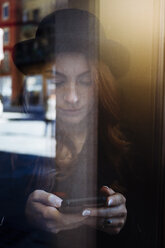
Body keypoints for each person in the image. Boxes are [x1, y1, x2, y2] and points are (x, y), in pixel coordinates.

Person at [8, 8, 137, 248]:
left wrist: (121, 222)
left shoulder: (123, 146)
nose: (72, 97)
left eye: (85, 82)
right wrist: (23, 219)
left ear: (101, 85)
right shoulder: (13, 146)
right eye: (57, 82)